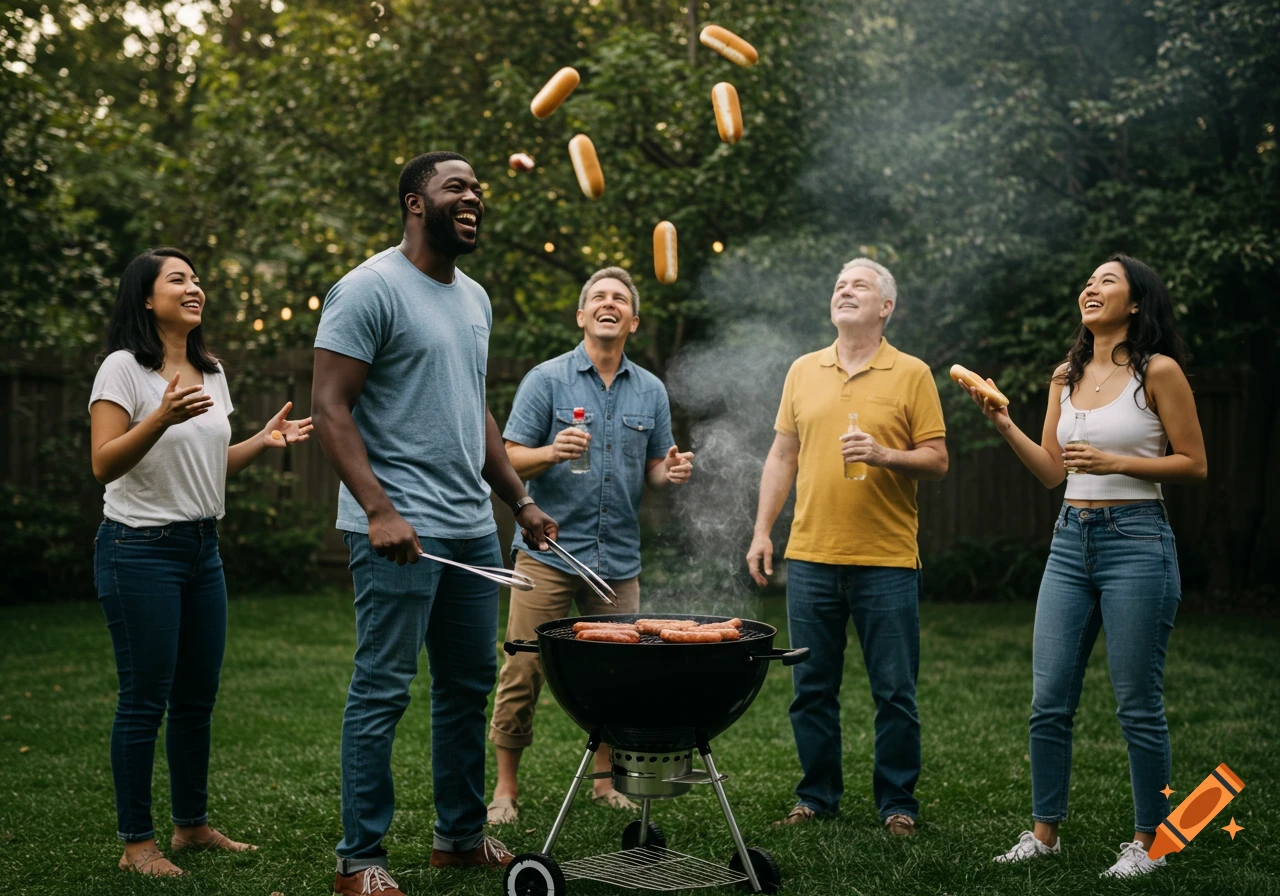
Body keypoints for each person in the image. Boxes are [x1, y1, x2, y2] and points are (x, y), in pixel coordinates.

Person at [311, 151, 558, 896]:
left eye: (477, 189)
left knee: (466, 685)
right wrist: (379, 509)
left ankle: (457, 836)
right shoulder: (368, 289)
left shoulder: (474, 298)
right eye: (457, 187)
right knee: (383, 687)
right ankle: (360, 861)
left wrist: (519, 499)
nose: (473, 197)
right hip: (396, 531)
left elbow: (473, 409)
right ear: (416, 202)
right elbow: (330, 406)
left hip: (469, 527)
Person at [961, 254, 1207, 878]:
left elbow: (1194, 462)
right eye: (1089, 281)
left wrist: (1115, 463)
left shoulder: (1159, 371)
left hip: (1137, 541)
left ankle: (1150, 840)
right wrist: (1003, 423)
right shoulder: (1065, 375)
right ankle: (1045, 834)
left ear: (1136, 303)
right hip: (1070, 540)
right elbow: (1052, 470)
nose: (1090, 289)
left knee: (1137, 704)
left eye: (1107, 281)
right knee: (1048, 700)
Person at [89, 247, 312, 876]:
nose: (195, 288)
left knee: (196, 698)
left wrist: (261, 444)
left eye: (196, 278)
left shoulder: (210, 371)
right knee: (144, 699)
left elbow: (208, 464)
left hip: (200, 549)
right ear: (145, 299)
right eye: (178, 280)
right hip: (138, 550)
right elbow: (104, 463)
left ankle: (190, 826)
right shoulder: (123, 370)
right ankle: (138, 842)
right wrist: (158, 417)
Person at [746, 257, 948, 837]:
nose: (845, 290)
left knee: (895, 691)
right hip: (810, 555)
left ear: (886, 307)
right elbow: (783, 455)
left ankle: (898, 804)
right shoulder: (804, 370)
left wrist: (885, 454)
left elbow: (936, 460)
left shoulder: (912, 373)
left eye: (859, 285)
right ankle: (816, 796)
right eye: (838, 284)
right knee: (811, 689)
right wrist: (764, 530)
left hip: (886, 560)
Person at [486, 266, 694, 825]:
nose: (609, 303)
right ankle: (506, 788)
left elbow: (654, 468)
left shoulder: (650, 389)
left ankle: (604, 781)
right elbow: (504, 459)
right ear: (582, 316)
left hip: (617, 559)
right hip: (548, 552)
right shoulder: (546, 380)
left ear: (632, 319)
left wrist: (668, 471)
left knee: (615, 675)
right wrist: (551, 452)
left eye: (620, 298)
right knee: (524, 668)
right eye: (598, 297)